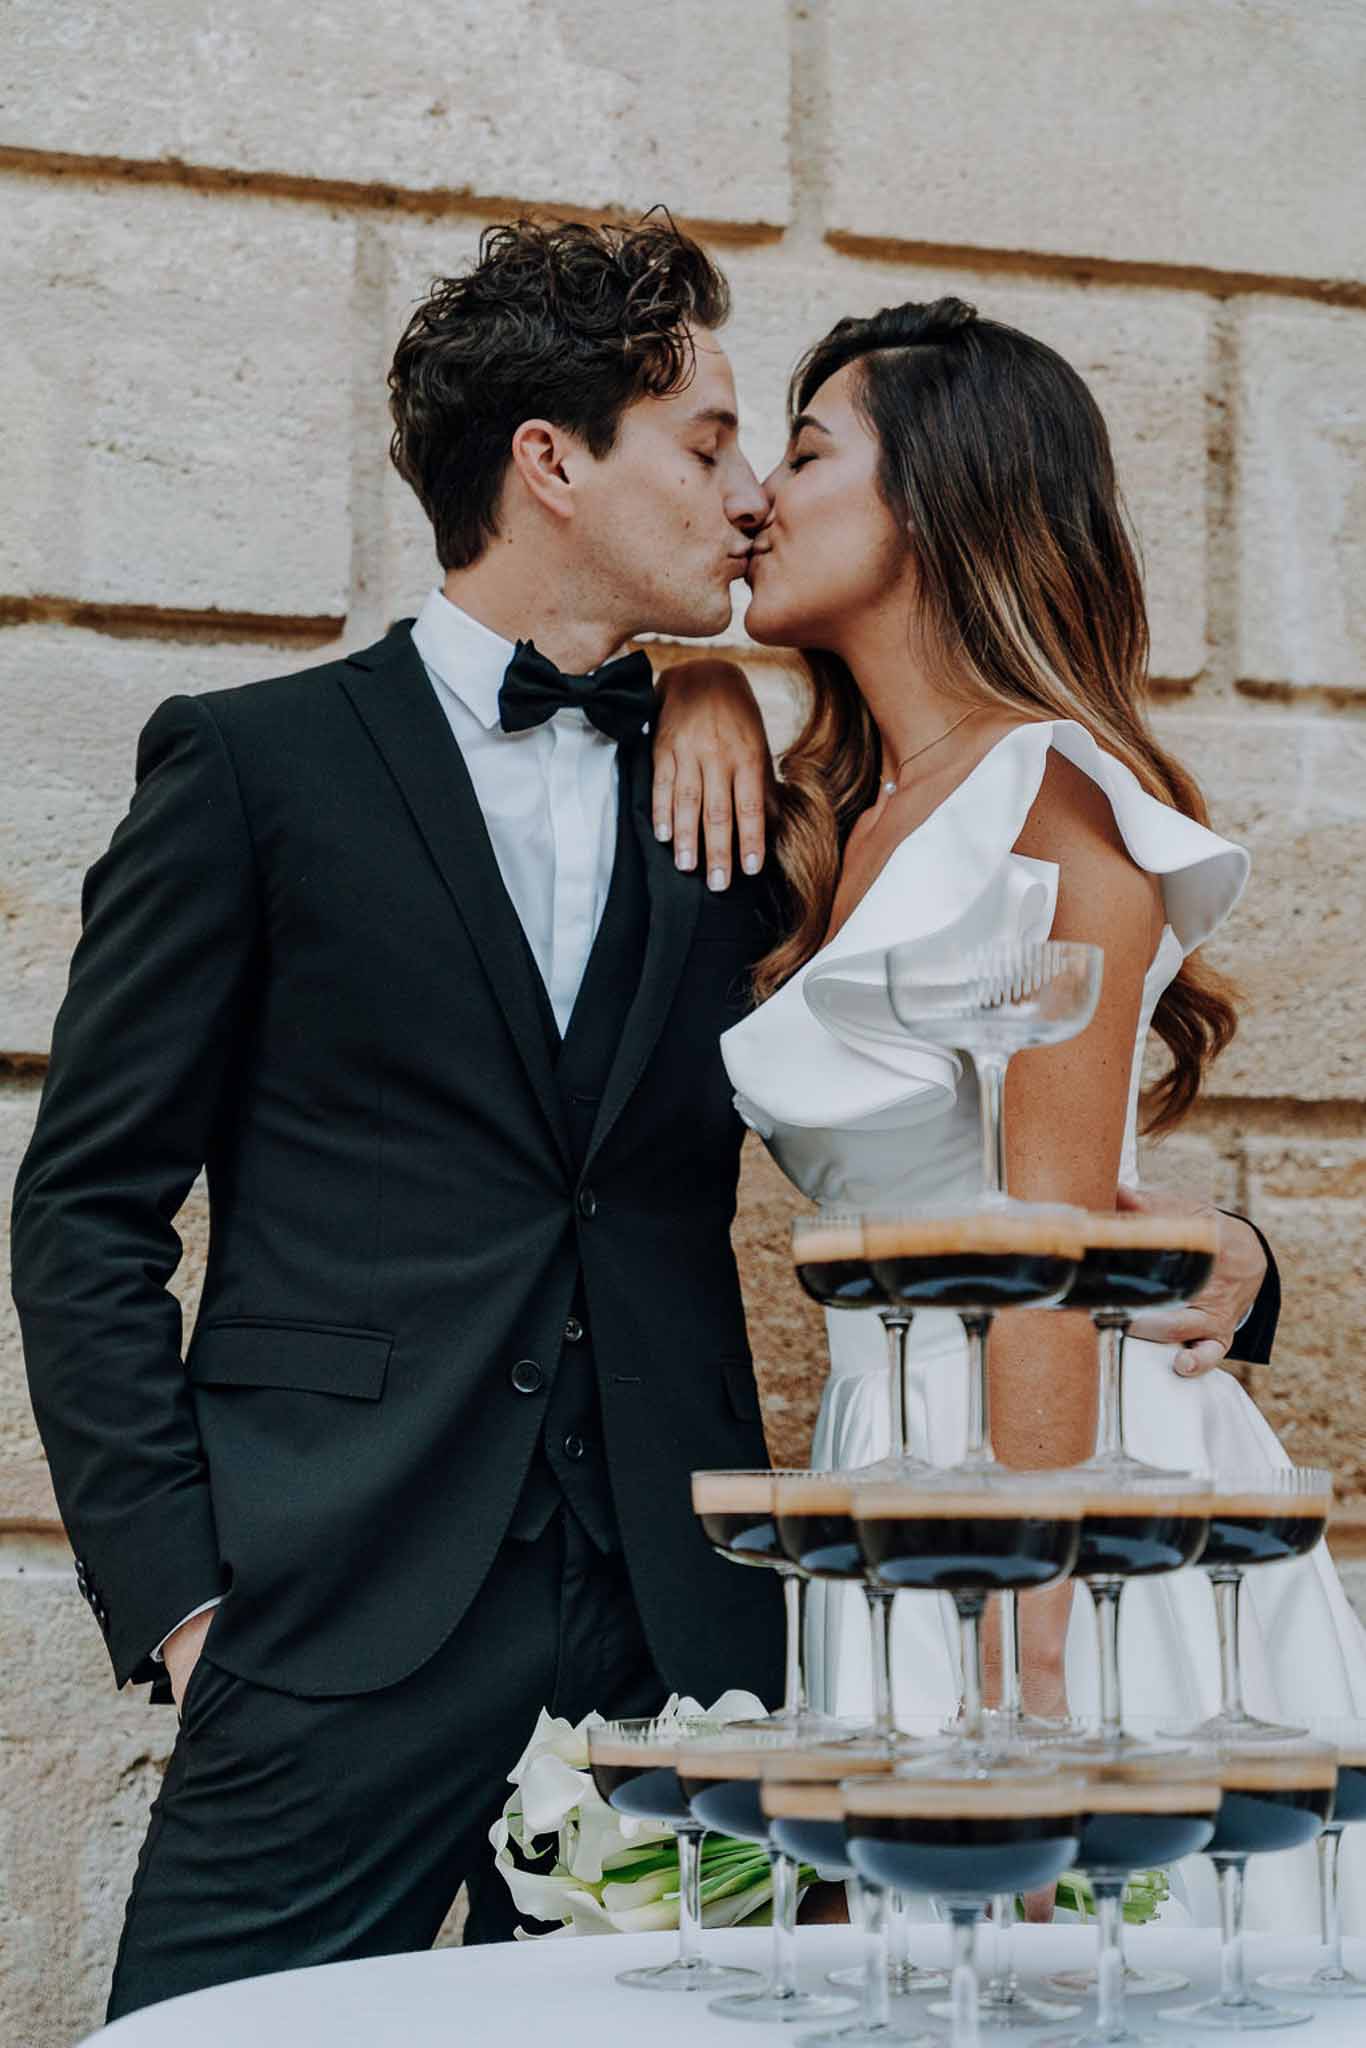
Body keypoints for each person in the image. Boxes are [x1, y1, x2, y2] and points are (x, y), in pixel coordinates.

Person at [10, 216, 793, 2020]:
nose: (749, 496)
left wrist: (729, 685)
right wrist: (185, 1608)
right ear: (551, 463)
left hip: (673, 1643)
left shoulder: (728, 784)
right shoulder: (252, 767)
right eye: (704, 446)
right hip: (330, 1620)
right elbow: (86, 1208)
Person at [708, 296, 1366, 1930]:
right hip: (888, 1445)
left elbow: (1048, 1245)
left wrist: (1033, 1649)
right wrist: (693, 688)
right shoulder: (847, 808)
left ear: (938, 496)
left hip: (1042, 1480)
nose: (757, 498)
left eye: (806, 453)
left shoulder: (1047, 809)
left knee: (1084, 1961)